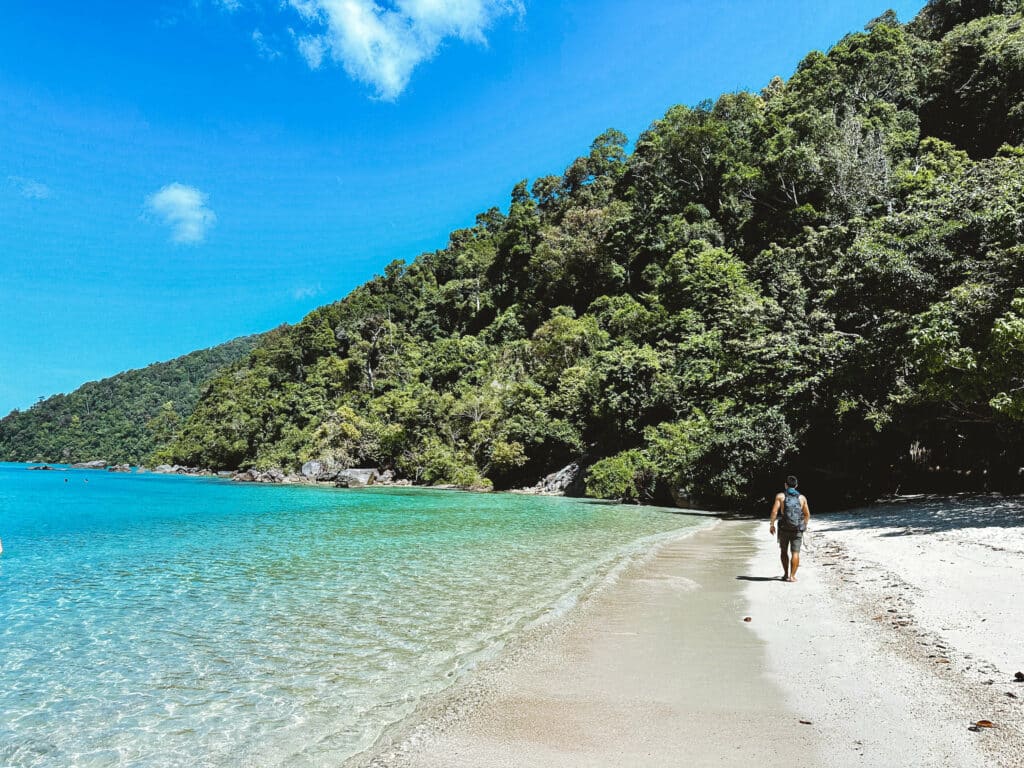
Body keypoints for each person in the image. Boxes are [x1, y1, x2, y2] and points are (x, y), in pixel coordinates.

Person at [769, 475, 810, 582]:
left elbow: (774, 512)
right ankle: (792, 576)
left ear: (785, 485)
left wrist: (772, 525)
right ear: (796, 485)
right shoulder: (802, 498)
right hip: (797, 529)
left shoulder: (780, 496)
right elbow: (807, 514)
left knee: (783, 551)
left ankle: (786, 574)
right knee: (795, 552)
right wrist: (804, 525)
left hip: (783, 528)